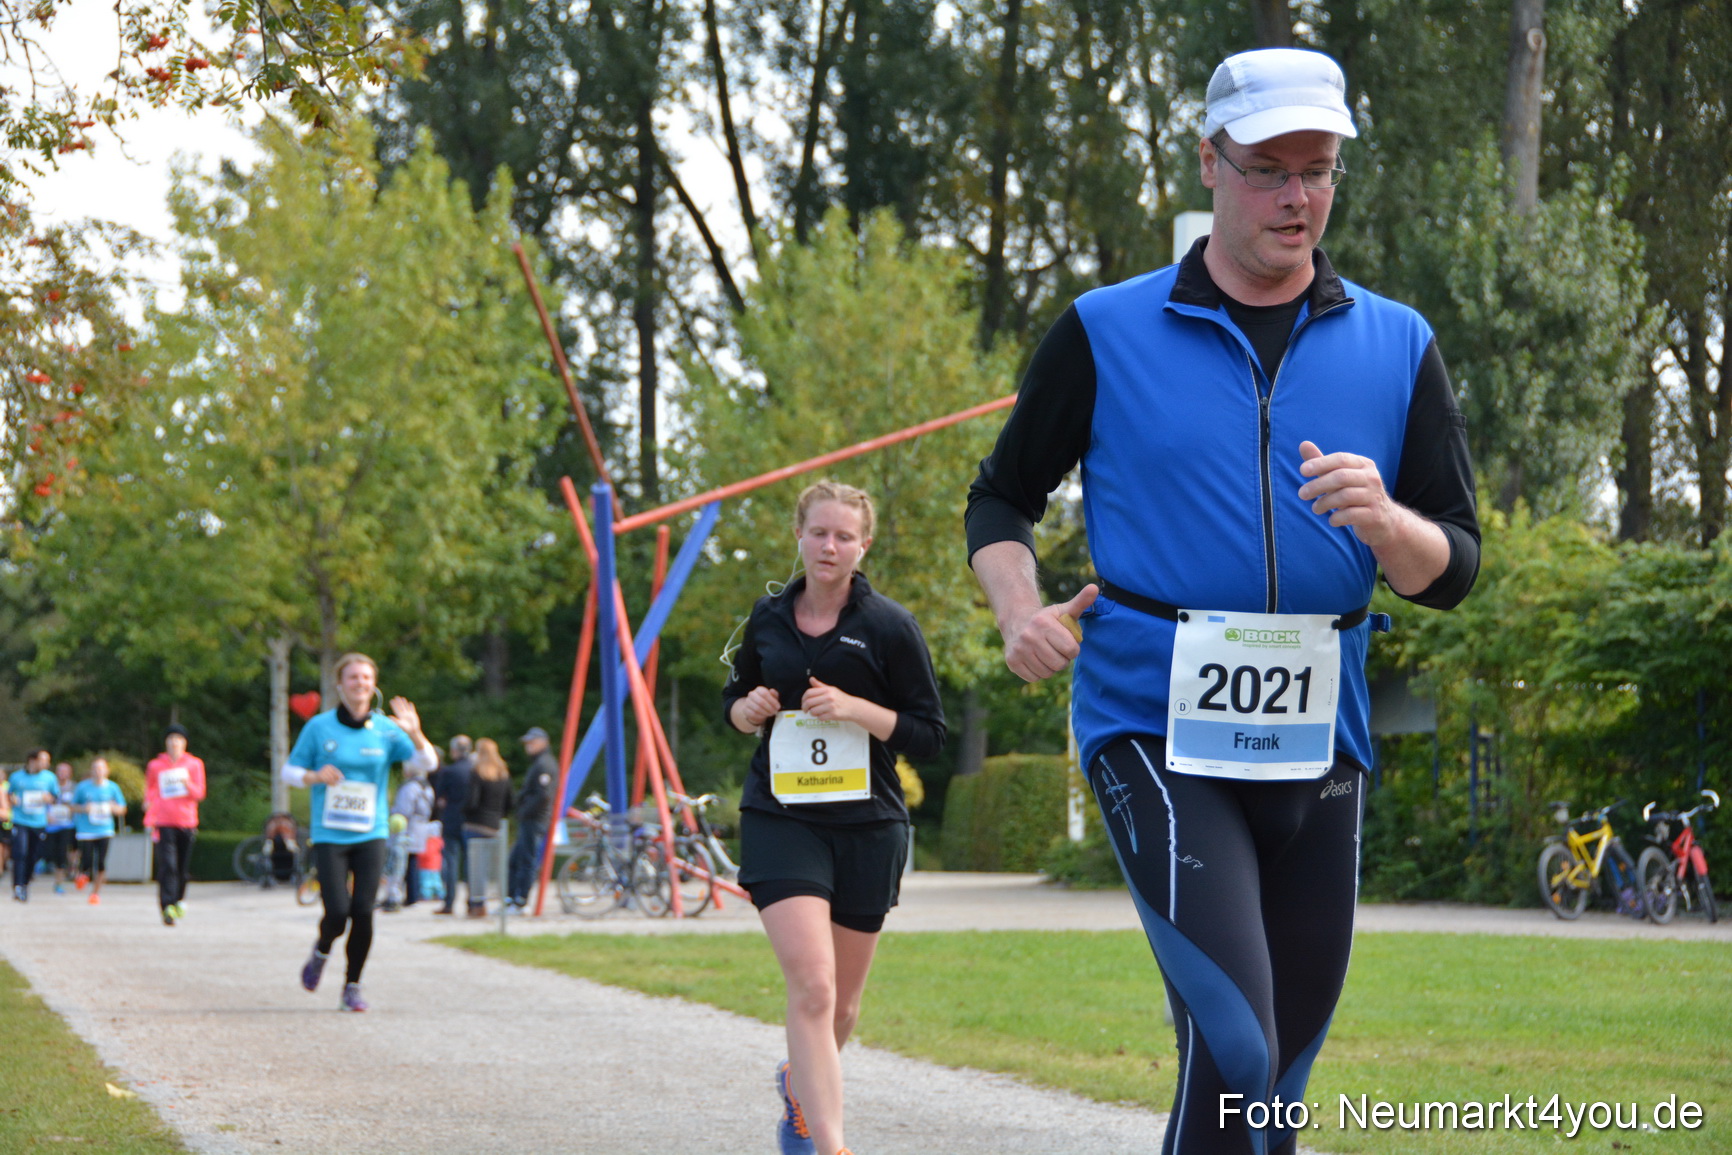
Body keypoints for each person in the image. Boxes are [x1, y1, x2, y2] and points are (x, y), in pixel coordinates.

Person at [965, 48, 1480, 1155]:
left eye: (1320, 169)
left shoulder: (1398, 343)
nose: (1297, 196)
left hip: (1319, 736)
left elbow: (1457, 565)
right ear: (1208, 162)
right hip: (1154, 724)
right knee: (1240, 1041)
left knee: (1278, 1075)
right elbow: (1001, 499)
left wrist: (1392, 527)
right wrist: (1019, 612)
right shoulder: (1105, 329)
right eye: (1268, 169)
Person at [723, 481, 946, 1155]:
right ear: (798, 535)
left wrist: (856, 709)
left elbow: (929, 735)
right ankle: (829, 1145)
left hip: (869, 825)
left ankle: (799, 1086)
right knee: (813, 988)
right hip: (783, 817)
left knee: (842, 1007)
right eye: (819, 532)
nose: (829, 546)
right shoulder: (766, 618)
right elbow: (733, 705)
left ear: (863, 545)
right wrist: (751, 709)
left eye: (844, 535)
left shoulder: (889, 627)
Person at [281, 653, 438, 1012]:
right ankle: (321, 951)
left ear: (374, 684)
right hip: (330, 833)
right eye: (353, 678)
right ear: (340, 685)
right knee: (337, 911)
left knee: (363, 911)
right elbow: (288, 771)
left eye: (366, 678)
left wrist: (414, 733)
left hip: (372, 831)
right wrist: (315, 776)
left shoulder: (386, 729)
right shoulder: (319, 728)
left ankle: (352, 985)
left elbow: (427, 764)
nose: (360, 683)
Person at [144, 723, 207, 926]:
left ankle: (178, 899)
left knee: (181, 868)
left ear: (184, 743)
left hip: (187, 821)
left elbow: (200, 793)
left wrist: (186, 782)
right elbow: (151, 790)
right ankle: (167, 907)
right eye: (170, 739)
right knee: (167, 865)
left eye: (178, 739)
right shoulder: (155, 765)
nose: (174, 742)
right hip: (163, 821)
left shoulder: (195, 764)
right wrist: (148, 807)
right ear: (166, 742)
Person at [460, 738, 513, 919]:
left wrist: (463, 811)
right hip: (494, 826)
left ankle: (476, 904)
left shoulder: (477, 772)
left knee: (475, 867)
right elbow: (510, 802)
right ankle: (492, 902)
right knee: (490, 868)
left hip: (475, 824)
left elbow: (472, 801)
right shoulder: (503, 774)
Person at [507, 726, 557, 912]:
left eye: (532, 742)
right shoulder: (539, 763)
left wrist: (524, 811)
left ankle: (521, 900)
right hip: (531, 817)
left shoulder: (544, 764)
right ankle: (511, 898)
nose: (528, 746)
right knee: (515, 860)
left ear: (543, 742)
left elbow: (543, 795)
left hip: (535, 819)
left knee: (526, 860)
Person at [72, 757, 127, 905]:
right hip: (86, 831)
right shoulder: (82, 787)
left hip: (105, 830)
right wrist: (84, 808)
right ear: (91, 771)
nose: (98, 771)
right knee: (87, 860)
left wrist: (114, 808)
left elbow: (122, 809)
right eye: (95, 768)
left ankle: (95, 893)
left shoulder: (113, 788)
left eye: (101, 768)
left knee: (101, 862)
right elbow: (72, 806)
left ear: (107, 771)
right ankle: (82, 874)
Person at [430, 735, 474, 915]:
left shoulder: (448, 772)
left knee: (451, 862)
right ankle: (473, 902)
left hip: (451, 820)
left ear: (455, 750)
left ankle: (449, 903)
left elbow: (439, 798)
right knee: (471, 863)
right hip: (471, 821)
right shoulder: (476, 770)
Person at [9, 749, 59, 902]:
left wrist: (49, 799)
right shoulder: (16, 777)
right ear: (32, 760)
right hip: (20, 820)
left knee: (34, 855)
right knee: (20, 853)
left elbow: (55, 797)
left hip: (39, 822)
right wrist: (12, 799)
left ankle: (25, 883)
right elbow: (9, 794)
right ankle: (18, 886)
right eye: (44, 760)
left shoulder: (49, 778)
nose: (47, 764)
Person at [388, 767, 435, 908]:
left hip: (408, 828)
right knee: (413, 862)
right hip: (422, 826)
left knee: (401, 864)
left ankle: (398, 896)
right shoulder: (427, 787)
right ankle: (413, 896)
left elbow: (404, 810)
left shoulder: (410, 787)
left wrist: (391, 811)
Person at [44, 761, 77, 894]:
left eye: (65, 771)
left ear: (70, 773)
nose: (62, 774)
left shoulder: (75, 787)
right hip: (51, 826)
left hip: (68, 825)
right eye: (59, 771)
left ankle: (60, 882)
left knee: (63, 854)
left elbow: (80, 803)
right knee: (51, 853)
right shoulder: (49, 786)